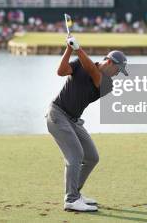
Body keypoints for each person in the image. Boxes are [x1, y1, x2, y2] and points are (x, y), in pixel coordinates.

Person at [46, 35, 128, 212]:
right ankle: (71, 199)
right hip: (57, 114)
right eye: (118, 69)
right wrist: (69, 48)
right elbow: (60, 71)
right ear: (110, 62)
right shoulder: (80, 63)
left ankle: (76, 192)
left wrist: (78, 49)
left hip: (73, 121)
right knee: (75, 155)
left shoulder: (107, 84)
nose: (117, 74)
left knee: (91, 157)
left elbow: (92, 71)